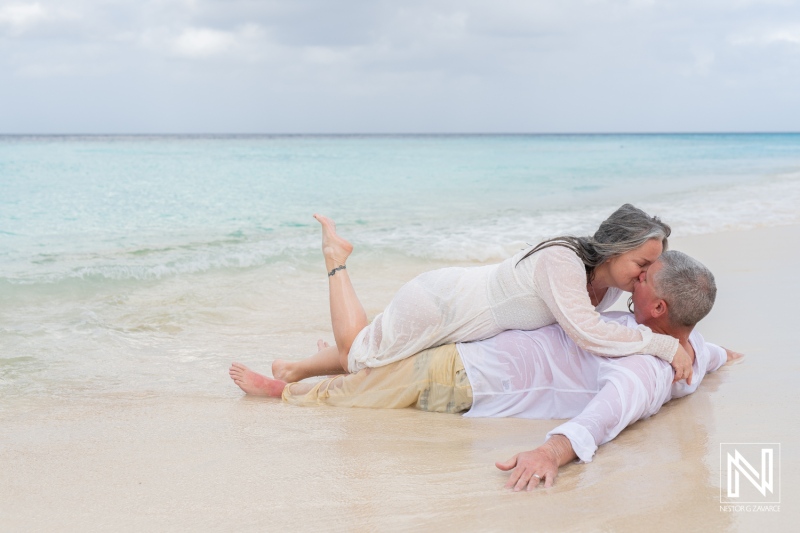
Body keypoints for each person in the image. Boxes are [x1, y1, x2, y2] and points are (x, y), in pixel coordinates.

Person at [230, 251, 743, 490]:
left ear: (660, 308)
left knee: (357, 387)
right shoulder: (688, 346)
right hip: (472, 344)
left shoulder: (647, 372)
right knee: (372, 353)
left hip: (462, 376)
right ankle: (317, 363)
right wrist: (725, 357)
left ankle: (285, 391)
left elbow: (604, 418)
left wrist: (549, 452)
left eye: (646, 278)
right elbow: (708, 353)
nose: (636, 280)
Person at [273, 204, 695, 385]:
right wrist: (663, 345)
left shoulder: (604, 284)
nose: (645, 276)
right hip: (442, 303)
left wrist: (685, 339)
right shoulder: (563, 262)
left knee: (370, 352)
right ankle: (336, 257)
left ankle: (291, 371)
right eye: (642, 264)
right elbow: (590, 333)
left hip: (464, 315)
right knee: (355, 354)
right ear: (614, 248)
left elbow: (619, 325)